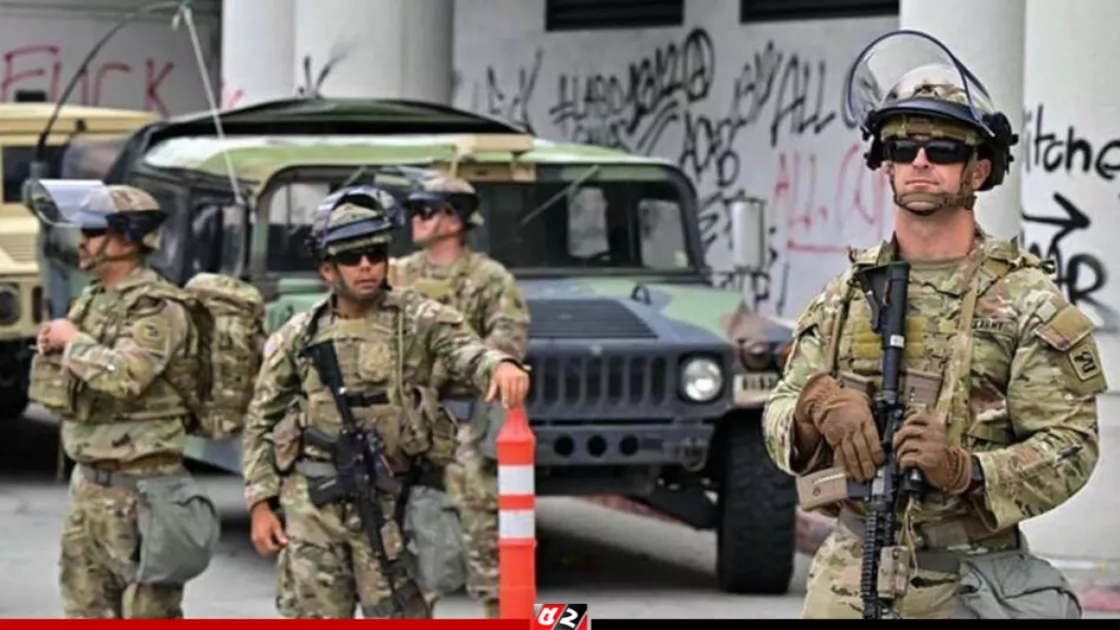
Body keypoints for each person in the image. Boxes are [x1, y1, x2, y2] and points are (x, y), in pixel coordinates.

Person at [762, 32, 1105, 620]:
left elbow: (1072, 445)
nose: (920, 162)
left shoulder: (1026, 301)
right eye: (902, 147)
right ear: (885, 165)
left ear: (977, 170)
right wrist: (814, 408)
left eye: (943, 149)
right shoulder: (846, 295)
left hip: (968, 584)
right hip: (846, 580)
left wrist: (968, 470)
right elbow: (777, 414)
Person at [240, 185, 531, 619]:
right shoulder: (300, 334)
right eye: (351, 258)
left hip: (391, 500)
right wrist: (260, 503)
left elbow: (463, 347)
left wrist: (499, 365)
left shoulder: (415, 317)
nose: (366, 266)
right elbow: (261, 420)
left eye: (375, 255)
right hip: (314, 505)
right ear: (328, 269)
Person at [26, 182, 219, 618]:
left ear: (128, 239)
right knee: (84, 611)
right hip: (90, 486)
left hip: (143, 493)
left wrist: (73, 341)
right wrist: (57, 342)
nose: (82, 241)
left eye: (93, 231)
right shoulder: (96, 298)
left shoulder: (159, 307)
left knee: (148, 613)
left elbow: (127, 375)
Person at [389, 172, 530, 618]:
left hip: (468, 427)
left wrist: (443, 365)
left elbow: (506, 346)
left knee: (486, 540)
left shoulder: (490, 279)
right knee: (412, 538)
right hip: (413, 427)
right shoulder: (398, 275)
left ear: (455, 220)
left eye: (426, 210)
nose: (416, 219)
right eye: (414, 210)